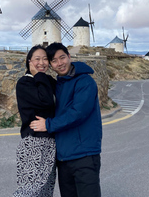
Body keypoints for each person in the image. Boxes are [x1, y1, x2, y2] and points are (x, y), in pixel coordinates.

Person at [30, 42, 102, 197]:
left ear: (69, 57)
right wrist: (37, 75)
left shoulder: (85, 82)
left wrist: (48, 125)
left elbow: (78, 113)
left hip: (85, 156)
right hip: (63, 159)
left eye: (62, 57)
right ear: (50, 65)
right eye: (54, 61)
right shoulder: (58, 85)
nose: (59, 63)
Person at [13, 45, 57, 197]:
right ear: (29, 61)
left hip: (51, 143)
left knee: (45, 191)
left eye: (45, 59)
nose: (42, 63)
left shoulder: (49, 81)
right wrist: (38, 75)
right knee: (28, 191)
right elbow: (46, 101)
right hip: (34, 143)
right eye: (37, 59)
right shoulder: (25, 83)